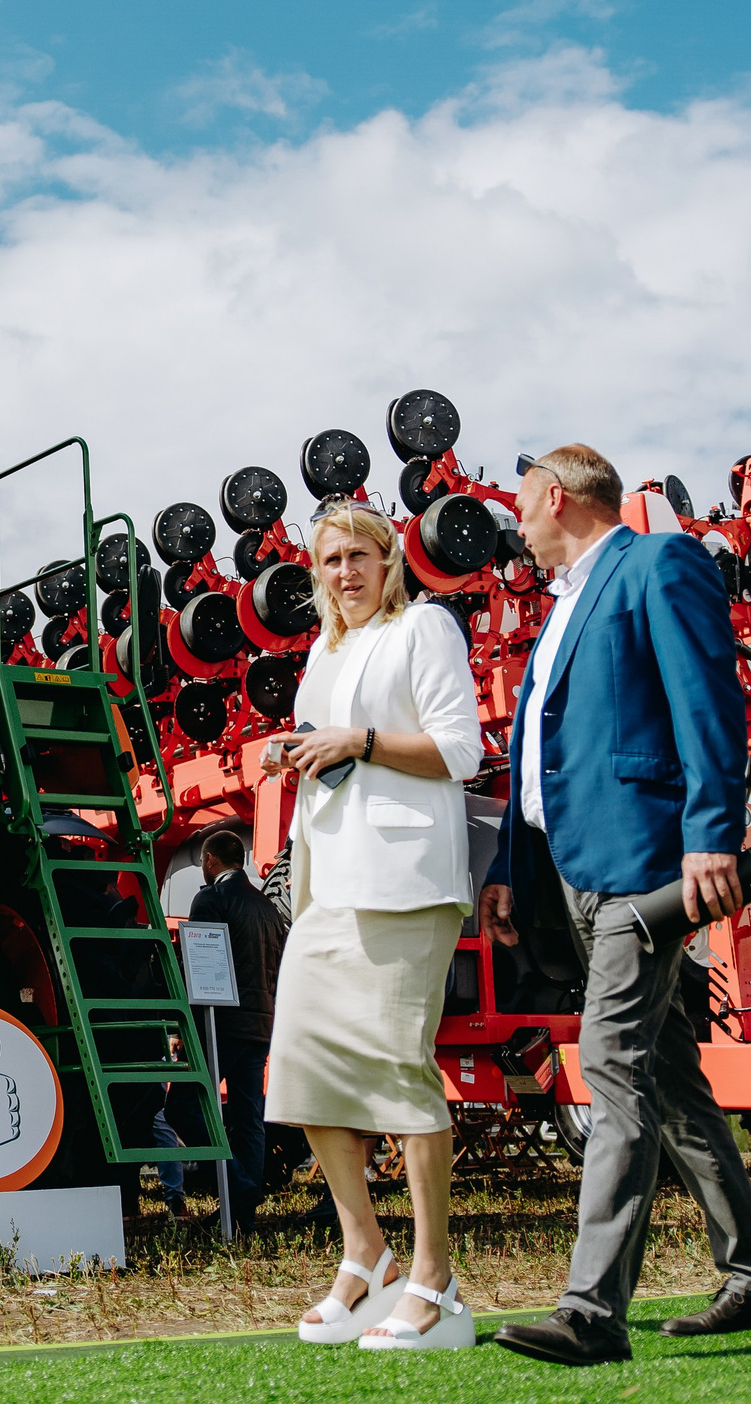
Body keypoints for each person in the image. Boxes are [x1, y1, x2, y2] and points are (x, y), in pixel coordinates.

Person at [481, 443, 751, 1368]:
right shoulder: (558, 607)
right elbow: (537, 749)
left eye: (522, 504)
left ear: (556, 495)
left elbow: (709, 703)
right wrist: (509, 861)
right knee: (668, 1079)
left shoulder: (659, 562)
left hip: (644, 866)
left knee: (611, 1068)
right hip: (570, 868)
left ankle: (592, 1311)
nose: (516, 522)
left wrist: (713, 835)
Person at [264, 504, 484, 1352]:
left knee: (399, 1072)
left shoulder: (424, 628)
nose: (345, 572)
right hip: (325, 883)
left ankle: (436, 1281)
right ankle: (368, 1256)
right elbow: (329, 747)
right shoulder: (321, 652)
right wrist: (296, 749)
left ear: (390, 562)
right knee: (303, 1065)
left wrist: (357, 740)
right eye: (329, 561)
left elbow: (458, 751)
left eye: (359, 555)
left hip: (405, 880)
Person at [188, 826, 285, 1227]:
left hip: (222, 1022)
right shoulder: (266, 907)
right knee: (248, 1115)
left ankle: (237, 1183)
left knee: (186, 1106)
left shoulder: (211, 899)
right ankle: (243, 1207)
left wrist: (190, 1030)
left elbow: (200, 968)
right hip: (261, 1024)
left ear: (210, 861)